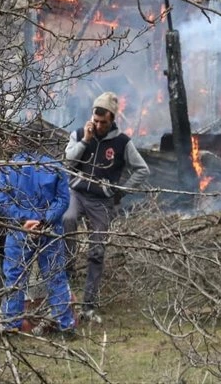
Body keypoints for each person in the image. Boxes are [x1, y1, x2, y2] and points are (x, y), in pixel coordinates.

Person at [62, 91, 149, 322]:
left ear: (112, 119)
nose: (99, 125)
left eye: (103, 122)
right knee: (67, 219)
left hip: (102, 201)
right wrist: (85, 141)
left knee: (97, 251)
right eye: (96, 120)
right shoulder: (80, 134)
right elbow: (68, 161)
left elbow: (142, 169)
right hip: (77, 193)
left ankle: (89, 305)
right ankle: (66, 277)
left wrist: (121, 191)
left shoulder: (122, 142)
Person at [0, 121, 76, 336]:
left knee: (14, 278)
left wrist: (24, 220)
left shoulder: (9, 167)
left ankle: (11, 326)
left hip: (20, 231)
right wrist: (44, 220)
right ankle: (65, 326)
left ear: (22, 140)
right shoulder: (55, 166)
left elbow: (2, 200)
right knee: (55, 276)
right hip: (49, 230)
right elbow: (62, 200)